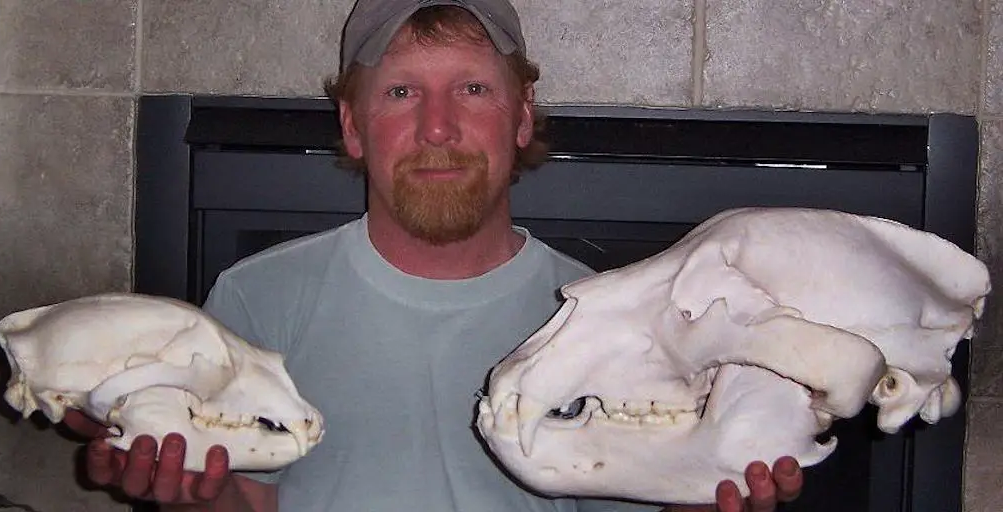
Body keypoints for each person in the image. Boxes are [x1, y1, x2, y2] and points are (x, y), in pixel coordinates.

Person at [63, 0, 805, 510]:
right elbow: (239, 499)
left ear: (521, 118)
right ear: (353, 128)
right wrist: (181, 489)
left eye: (474, 89)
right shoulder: (258, 301)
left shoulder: (607, 320)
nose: (439, 128)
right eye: (401, 93)